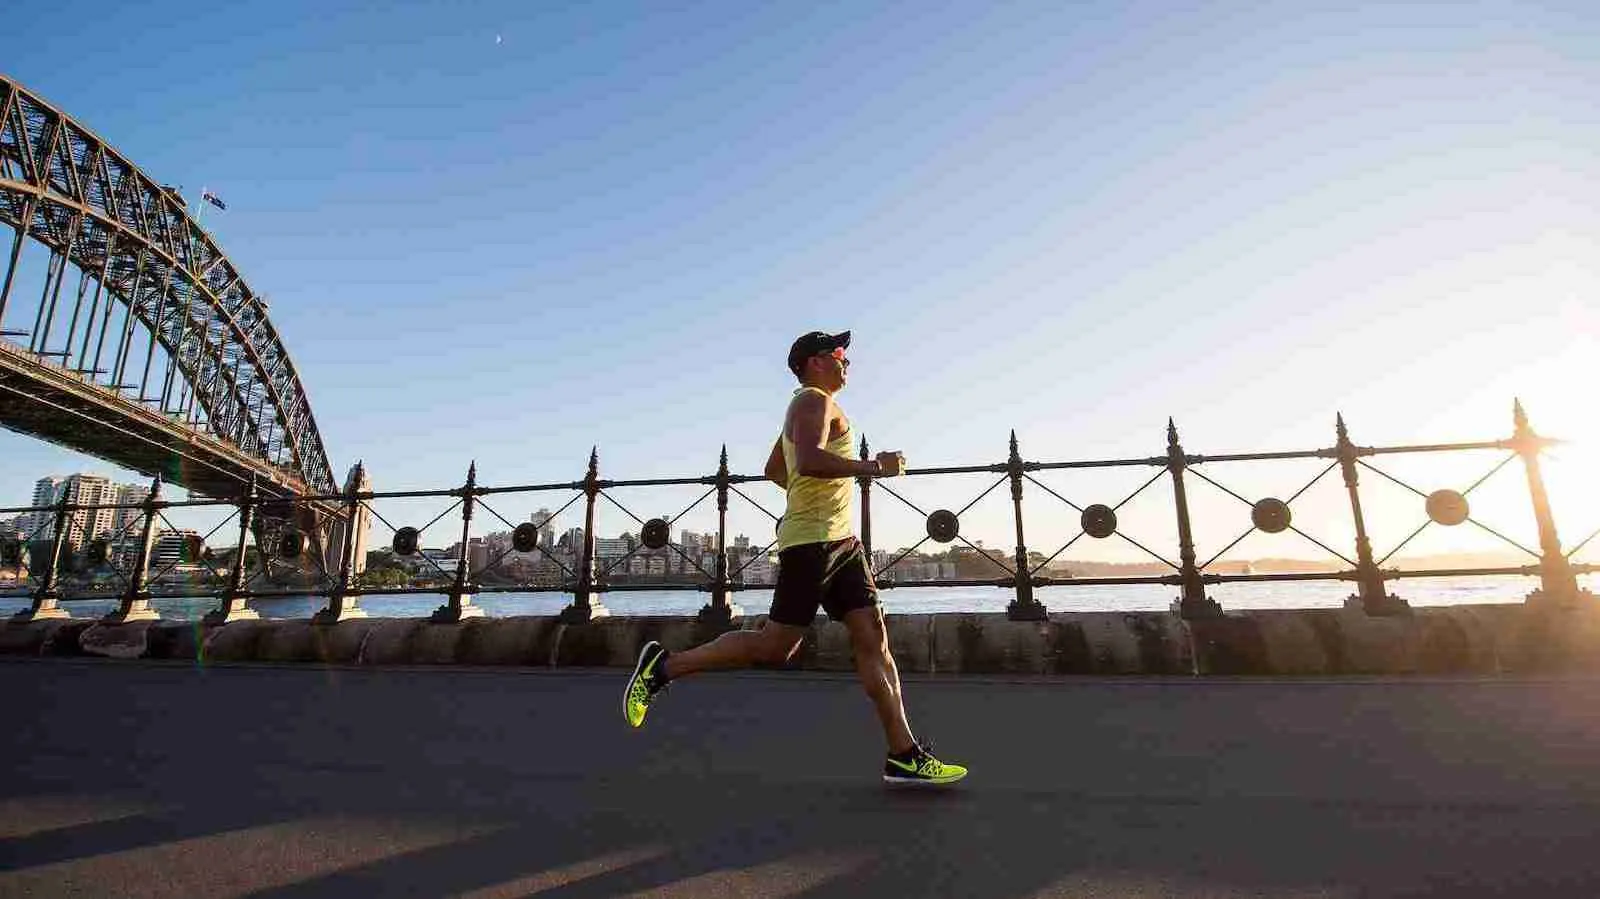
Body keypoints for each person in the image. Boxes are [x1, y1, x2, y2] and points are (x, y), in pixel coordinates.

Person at [623, 330, 967, 786]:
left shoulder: (814, 405)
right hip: (812, 545)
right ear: (814, 361)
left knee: (874, 637)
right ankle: (662, 667)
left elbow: (776, 469)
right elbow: (806, 461)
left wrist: (813, 500)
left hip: (842, 544)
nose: (848, 362)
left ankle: (903, 754)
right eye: (840, 354)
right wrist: (871, 468)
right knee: (775, 647)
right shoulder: (812, 401)